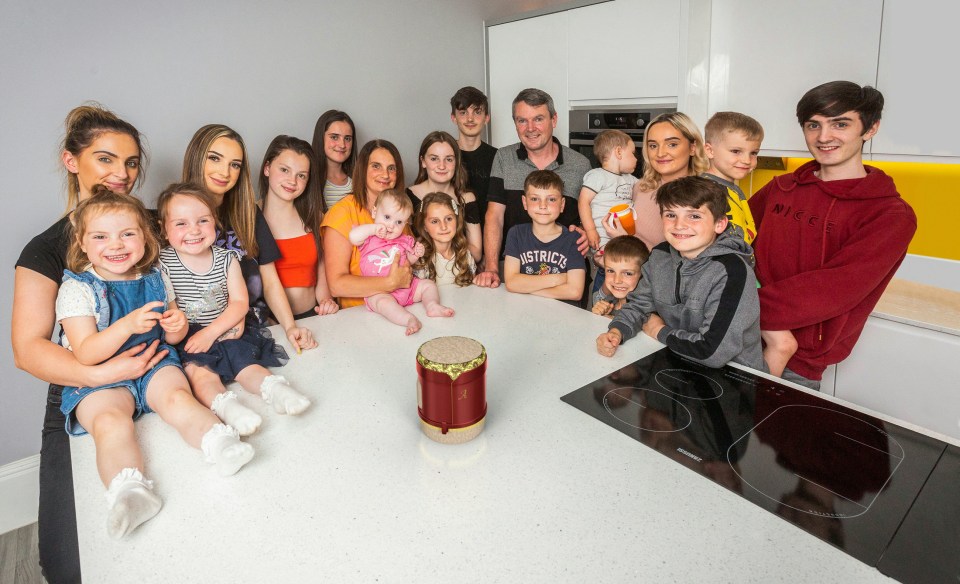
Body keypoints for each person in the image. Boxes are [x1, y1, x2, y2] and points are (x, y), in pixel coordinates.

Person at [13, 104, 166, 582]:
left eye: (131, 162)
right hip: (83, 385)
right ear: (71, 160)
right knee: (69, 561)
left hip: (161, 367)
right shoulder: (46, 249)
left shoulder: (153, 227)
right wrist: (101, 374)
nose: (122, 174)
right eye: (105, 159)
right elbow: (28, 349)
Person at [56, 189, 254, 539]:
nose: (115, 245)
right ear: (82, 242)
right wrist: (127, 325)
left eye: (127, 233)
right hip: (102, 377)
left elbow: (172, 331)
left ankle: (219, 443)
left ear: (145, 238)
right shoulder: (78, 287)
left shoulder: (154, 276)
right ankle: (131, 493)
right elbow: (85, 353)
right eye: (101, 236)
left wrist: (175, 328)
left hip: (154, 362)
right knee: (109, 422)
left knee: (179, 398)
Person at [748, 81, 917, 389]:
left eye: (840, 124)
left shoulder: (890, 215)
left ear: (870, 128)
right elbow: (733, 240)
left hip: (797, 364)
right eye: (814, 125)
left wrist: (735, 309)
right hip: (733, 335)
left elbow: (830, 290)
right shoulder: (779, 188)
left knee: (774, 436)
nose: (824, 137)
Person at [158, 183, 310, 436]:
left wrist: (213, 332)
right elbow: (171, 310)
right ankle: (230, 409)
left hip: (226, 324)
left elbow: (239, 302)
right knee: (201, 375)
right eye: (181, 223)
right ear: (164, 230)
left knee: (246, 363)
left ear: (215, 222)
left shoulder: (227, 258)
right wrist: (193, 333)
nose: (194, 230)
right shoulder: (163, 263)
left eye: (202, 220)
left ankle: (276, 391)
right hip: (188, 336)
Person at [597, 176, 765, 372]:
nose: (679, 225)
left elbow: (712, 351)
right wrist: (617, 331)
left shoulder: (732, 272)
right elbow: (639, 305)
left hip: (734, 378)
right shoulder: (660, 256)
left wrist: (659, 331)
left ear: (719, 224)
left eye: (694, 216)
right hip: (675, 361)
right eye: (670, 215)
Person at [181, 124, 317, 354]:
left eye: (235, 165)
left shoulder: (247, 213)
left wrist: (289, 325)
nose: (225, 172)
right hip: (200, 333)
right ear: (196, 158)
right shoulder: (176, 215)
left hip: (254, 325)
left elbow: (270, 279)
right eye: (215, 158)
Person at [702, 112, 797, 377]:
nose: (747, 160)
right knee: (783, 343)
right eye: (736, 151)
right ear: (709, 149)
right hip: (728, 283)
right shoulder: (708, 191)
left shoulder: (731, 189)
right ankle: (758, 400)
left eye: (753, 153)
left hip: (741, 279)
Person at [478, 88, 591, 288]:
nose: (530, 128)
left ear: (553, 120)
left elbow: (592, 214)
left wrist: (586, 231)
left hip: (565, 275)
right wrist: (492, 268)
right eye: (522, 120)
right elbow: (494, 216)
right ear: (515, 124)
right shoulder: (504, 158)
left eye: (538, 119)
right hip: (515, 273)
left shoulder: (580, 164)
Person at [320, 139, 412, 309]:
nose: (385, 175)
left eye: (391, 168)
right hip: (359, 314)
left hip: (403, 305)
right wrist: (390, 283)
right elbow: (336, 285)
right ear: (362, 170)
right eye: (376, 166)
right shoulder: (342, 213)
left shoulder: (399, 213)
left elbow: (408, 264)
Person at [348, 189, 454, 335]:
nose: (391, 226)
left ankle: (432, 305)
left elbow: (407, 263)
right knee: (382, 303)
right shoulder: (368, 238)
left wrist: (416, 255)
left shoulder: (404, 240)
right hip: (381, 291)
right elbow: (353, 237)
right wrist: (373, 228)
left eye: (398, 222)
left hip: (407, 288)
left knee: (428, 285)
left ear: (405, 223)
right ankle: (408, 319)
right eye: (386, 217)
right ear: (374, 212)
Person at [259, 134, 339, 319]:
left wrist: (326, 303)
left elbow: (321, 270)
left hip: (313, 316)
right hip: (268, 323)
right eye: (285, 170)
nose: (292, 181)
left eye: (301, 175)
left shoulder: (315, 217)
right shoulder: (251, 217)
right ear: (267, 168)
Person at [613, 112, 710, 252]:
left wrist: (625, 243)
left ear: (692, 148)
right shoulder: (640, 187)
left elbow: (689, 259)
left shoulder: (705, 193)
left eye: (672, 144)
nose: (660, 153)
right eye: (653, 146)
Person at [503, 170, 586, 305]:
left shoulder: (573, 238)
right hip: (525, 311)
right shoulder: (516, 234)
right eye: (535, 199)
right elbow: (512, 283)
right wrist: (558, 279)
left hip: (564, 315)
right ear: (525, 202)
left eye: (551, 199)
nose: (543, 206)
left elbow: (574, 292)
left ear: (562, 204)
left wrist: (526, 288)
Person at [577, 129, 639, 296]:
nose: (636, 159)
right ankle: (600, 307)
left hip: (624, 238)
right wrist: (590, 231)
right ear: (618, 152)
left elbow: (647, 189)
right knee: (607, 272)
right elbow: (583, 202)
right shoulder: (597, 176)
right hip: (602, 240)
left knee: (624, 275)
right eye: (633, 153)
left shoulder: (630, 179)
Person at [406, 131, 482, 262]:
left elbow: (476, 253)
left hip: (458, 274)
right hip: (421, 276)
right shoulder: (407, 197)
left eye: (449, 159)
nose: (442, 166)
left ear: (456, 162)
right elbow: (403, 247)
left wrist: (445, 245)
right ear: (423, 161)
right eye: (434, 159)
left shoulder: (467, 199)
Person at [450, 86, 497, 223]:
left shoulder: (498, 157)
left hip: (490, 235)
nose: (470, 119)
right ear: (454, 117)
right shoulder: (443, 156)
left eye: (477, 112)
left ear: (486, 118)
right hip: (450, 237)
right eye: (463, 112)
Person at [413, 191, 477, 287]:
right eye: (435, 221)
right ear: (424, 226)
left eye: (449, 219)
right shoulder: (420, 258)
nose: (443, 227)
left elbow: (473, 292)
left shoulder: (465, 255)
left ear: (456, 220)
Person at [591, 235, 650, 319]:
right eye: (611, 271)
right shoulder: (609, 301)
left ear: (643, 274)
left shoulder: (645, 311)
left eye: (628, 273)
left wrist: (608, 319)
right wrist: (599, 315)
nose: (617, 280)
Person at [312, 109, 357, 210]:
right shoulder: (308, 180)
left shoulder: (358, 182)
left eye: (347, 138)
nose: (342, 145)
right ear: (321, 138)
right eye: (334, 137)